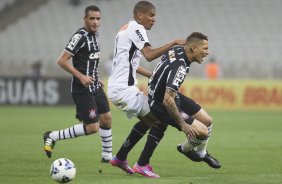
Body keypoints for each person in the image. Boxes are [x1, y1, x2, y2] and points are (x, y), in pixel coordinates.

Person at [107, 1, 190, 178]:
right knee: (161, 116)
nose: (154, 19)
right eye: (151, 15)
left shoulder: (126, 28)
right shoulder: (137, 28)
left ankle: (120, 157)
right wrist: (174, 42)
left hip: (120, 88)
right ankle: (142, 164)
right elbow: (149, 55)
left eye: (154, 16)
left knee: (150, 119)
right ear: (140, 15)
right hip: (123, 90)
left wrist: (154, 75)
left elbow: (133, 65)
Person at [43, 5, 113, 163]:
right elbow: (62, 61)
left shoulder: (95, 35)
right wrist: (81, 76)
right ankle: (52, 136)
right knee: (92, 128)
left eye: (98, 18)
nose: (95, 22)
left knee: (107, 117)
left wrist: (96, 76)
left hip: (94, 85)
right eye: (92, 18)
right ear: (85, 19)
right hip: (82, 88)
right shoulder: (79, 36)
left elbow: (89, 60)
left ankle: (107, 156)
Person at [148, 32, 221, 169]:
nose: (207, 52)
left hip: (167, 94)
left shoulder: (178, 49)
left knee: (208, 121)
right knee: (203, 132)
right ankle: (184, 148)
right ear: (193, 48)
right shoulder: (180, 67)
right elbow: (167, 99)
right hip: (160, 103)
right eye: (204, 48)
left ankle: (201, 153)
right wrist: (183, 125)